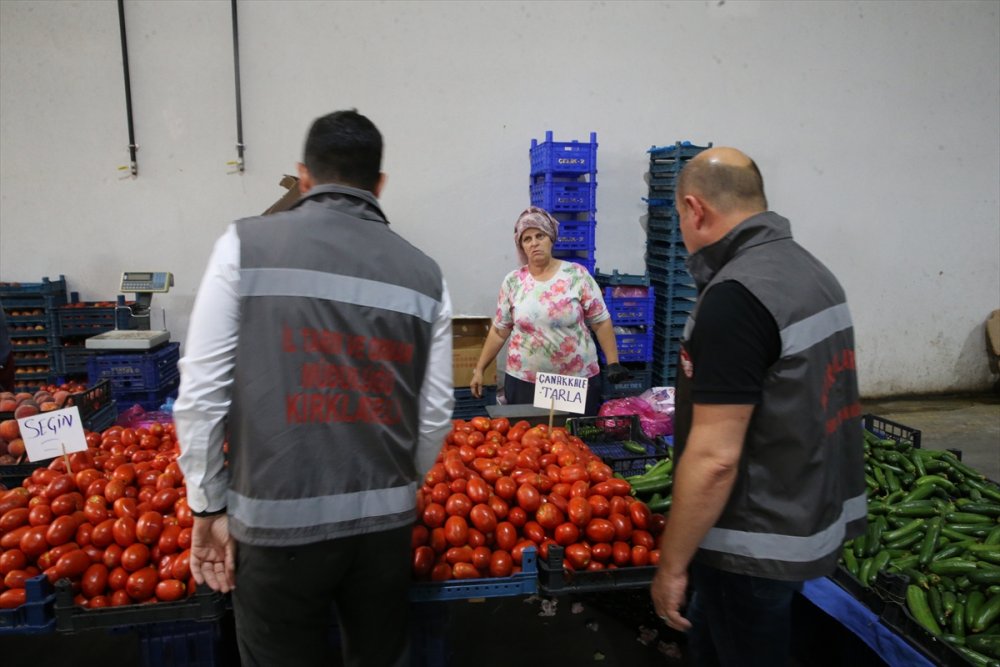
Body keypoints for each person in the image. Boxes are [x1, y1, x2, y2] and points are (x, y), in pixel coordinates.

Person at [173, 109, 455, 667]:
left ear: (304, 177)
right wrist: (400, 484)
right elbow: (436, 413)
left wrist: (206, 504)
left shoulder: (243, 247)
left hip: (276, 528)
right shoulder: (425, 274)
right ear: (380, 185)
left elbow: (202, 390)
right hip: (383, 532)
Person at [649, 147, 866, 666]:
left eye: (680, 215)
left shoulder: (735, 297)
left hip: (750, 542)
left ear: (695, 209)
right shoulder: (812, 273)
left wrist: (672, 565)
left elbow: (715, 457)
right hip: (805, 517)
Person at [469, 206, 629, 416]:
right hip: (525, 381)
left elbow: (600, 321)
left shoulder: (576, 275)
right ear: (521, 246)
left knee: (571, 442)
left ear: (551, 238)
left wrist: (614, 362)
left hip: (573, 383)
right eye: (527, 239)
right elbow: (500, 331)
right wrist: (479, 369)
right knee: (530, 442)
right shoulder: (513, 282)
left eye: (539, 235)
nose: (534, 243)